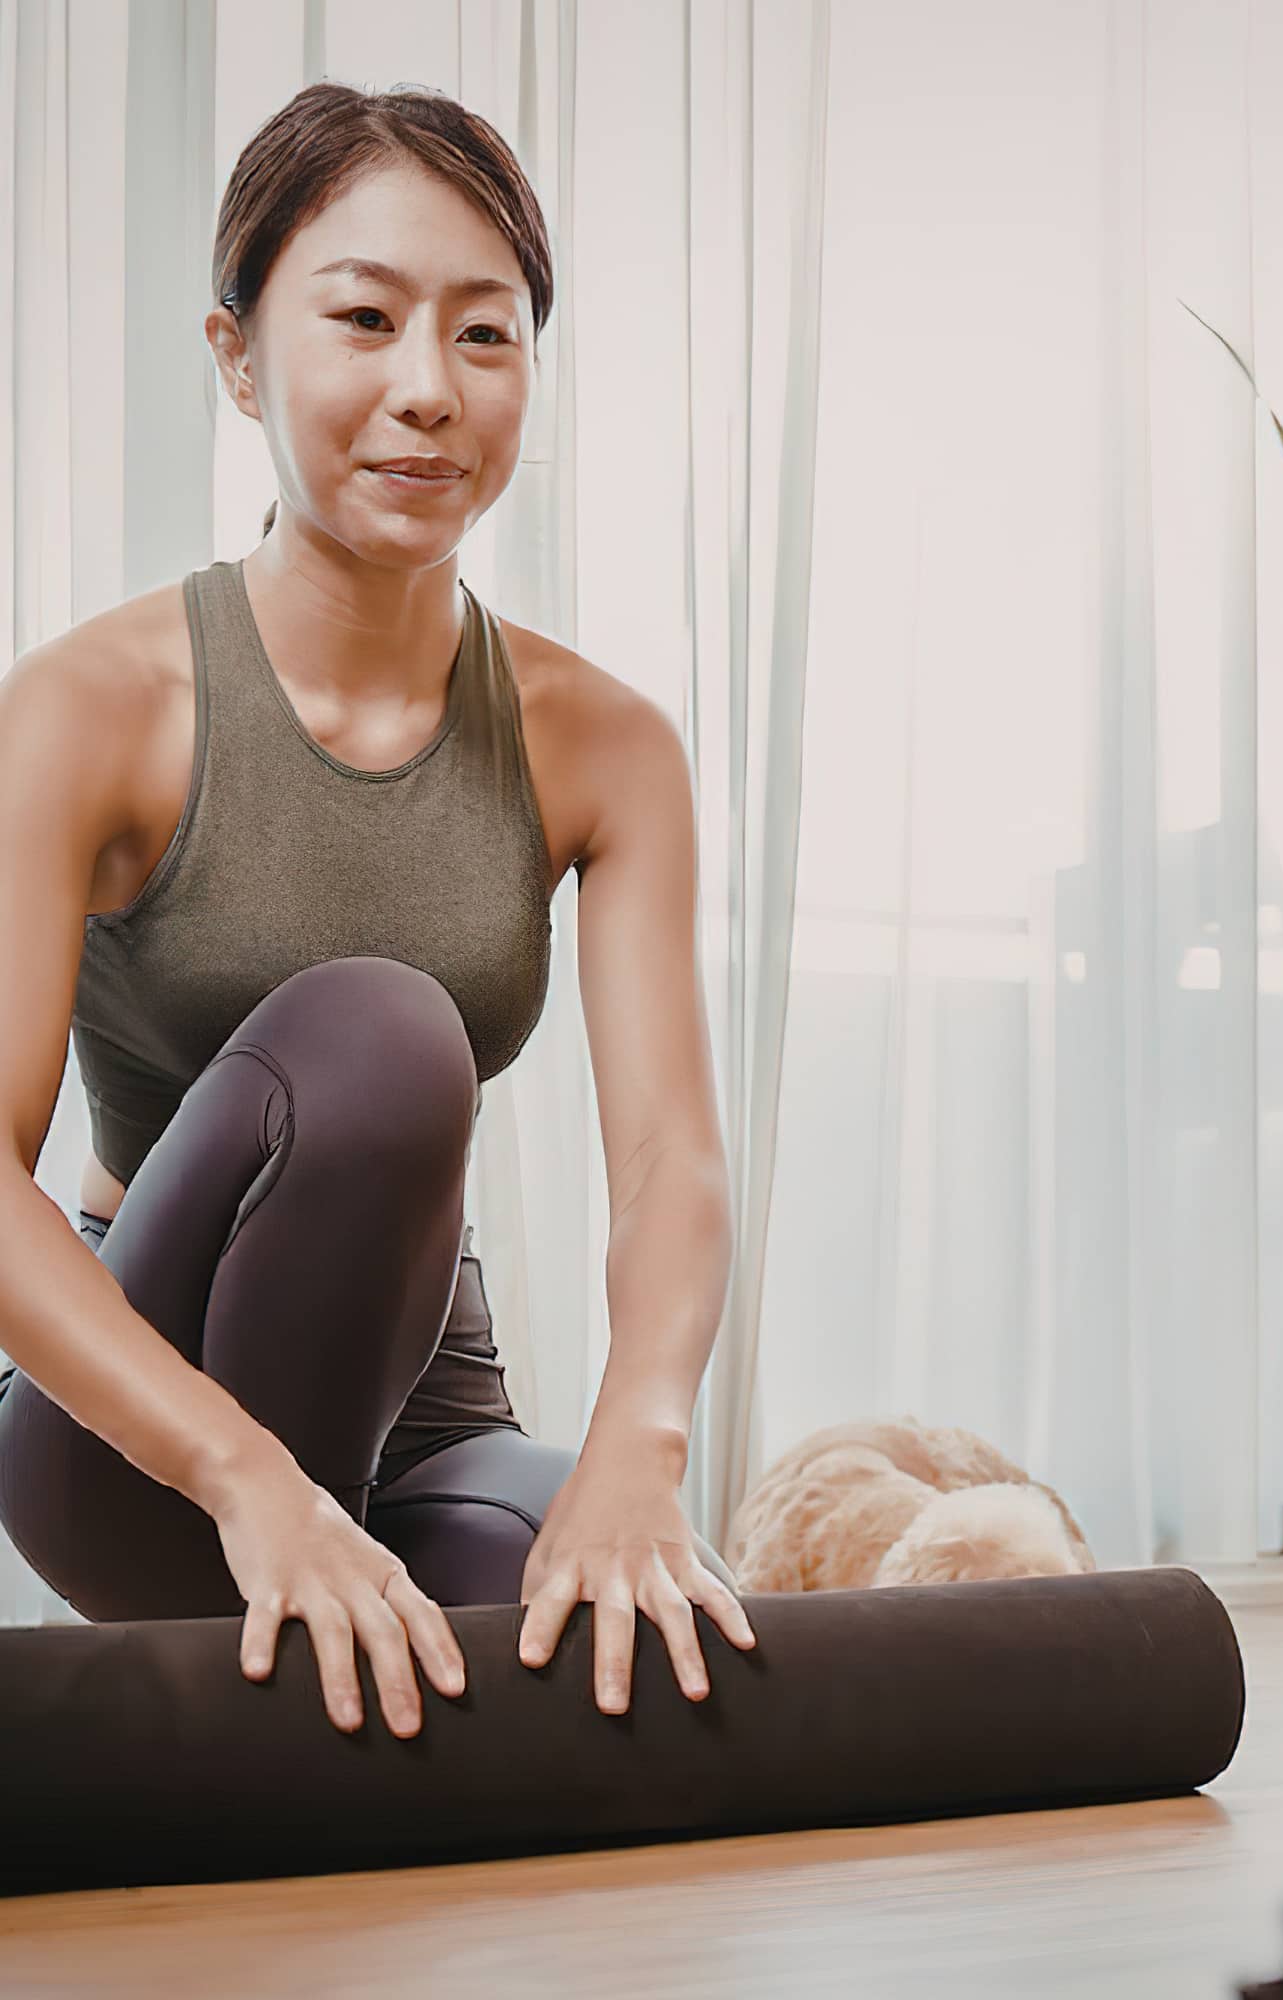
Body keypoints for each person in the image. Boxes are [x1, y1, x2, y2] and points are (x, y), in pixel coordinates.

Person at [0, 82, 755, 1741]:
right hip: (139, 1431)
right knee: (386, 1033)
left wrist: (642, 1444)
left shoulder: (606, 745)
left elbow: (669, 1160)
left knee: (633, 1669)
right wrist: (250, 1478)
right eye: (364, 319)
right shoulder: (85, 710)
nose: (429, 391)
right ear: (241, 356)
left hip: (430, 1420)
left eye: (486, 337)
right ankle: (264, 1571)